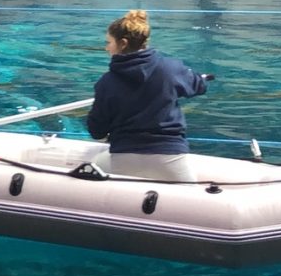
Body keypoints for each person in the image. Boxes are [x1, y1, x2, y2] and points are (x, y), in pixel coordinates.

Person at [86, 10, 209, 182]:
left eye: (109, 43)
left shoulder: (106, 83)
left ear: (122, 43)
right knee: (193, 204)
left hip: (125, 157)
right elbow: (199, 86)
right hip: (170, 156)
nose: (106, 48)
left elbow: (96, 130)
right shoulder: (171, 69)